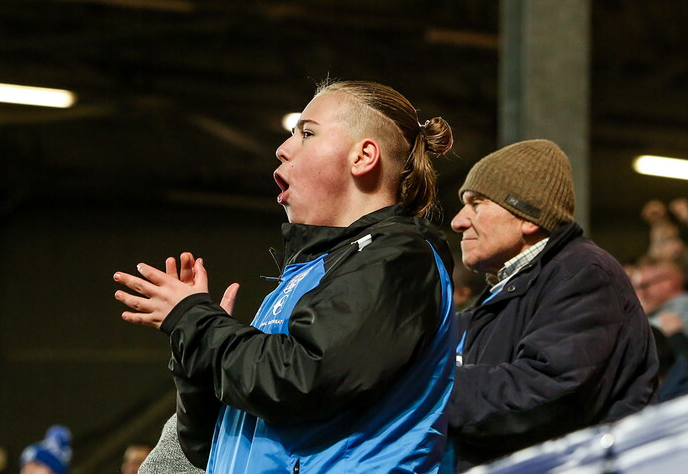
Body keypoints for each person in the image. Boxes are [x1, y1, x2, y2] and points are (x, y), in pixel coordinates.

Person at [114, 80, 456, 473]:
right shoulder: (308, 275)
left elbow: (305, 378)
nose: (282, 148)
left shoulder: (399, 257)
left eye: (307, 132)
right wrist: (195, 348)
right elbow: (205, 446)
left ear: (363, 156)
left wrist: (199, 323)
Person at [446, 139, 658, 471]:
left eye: (477, 204)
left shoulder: (583, 274)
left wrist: (428, 389)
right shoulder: (507, 291)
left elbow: (544, 392)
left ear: (528, 218)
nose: (458, 221)